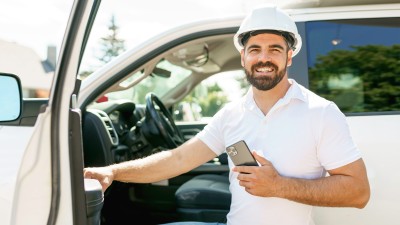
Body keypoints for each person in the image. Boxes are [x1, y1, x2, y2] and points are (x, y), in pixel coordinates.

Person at [84, 4, 370, 225]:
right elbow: (179, 158)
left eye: (274, 49)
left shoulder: (320, 113)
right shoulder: (232, 115)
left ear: (289, 56)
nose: (263, 58)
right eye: (254, 49)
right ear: (243, 57)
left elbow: (358, 192)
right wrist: (113, 171)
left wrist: (278, 185)